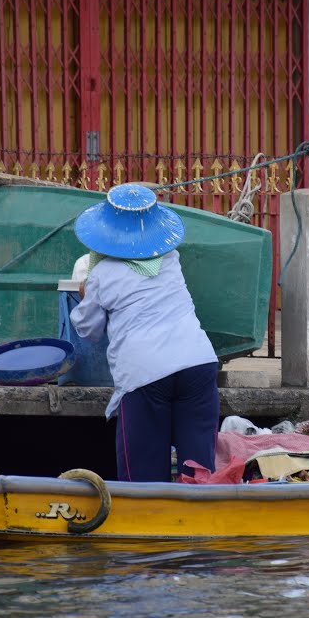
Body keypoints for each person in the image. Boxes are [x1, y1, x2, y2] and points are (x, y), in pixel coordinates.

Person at [70, 183, 220, 482]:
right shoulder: (170, 260)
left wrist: (87, 293)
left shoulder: (101, 273)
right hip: (198, 363)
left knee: (144, 477)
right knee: (199, 472)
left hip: (146, 375)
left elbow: (88, 329)